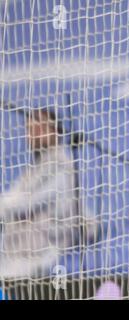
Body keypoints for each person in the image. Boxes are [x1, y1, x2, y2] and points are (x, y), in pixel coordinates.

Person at [0, 108, 97, 277]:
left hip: (46, 245)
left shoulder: (60, 165)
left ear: (55, 131)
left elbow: (28, 202)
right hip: (24, 244)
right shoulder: (36, 168)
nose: (33, 134)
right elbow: (14, 196)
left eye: (39, 129)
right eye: (30, 129)